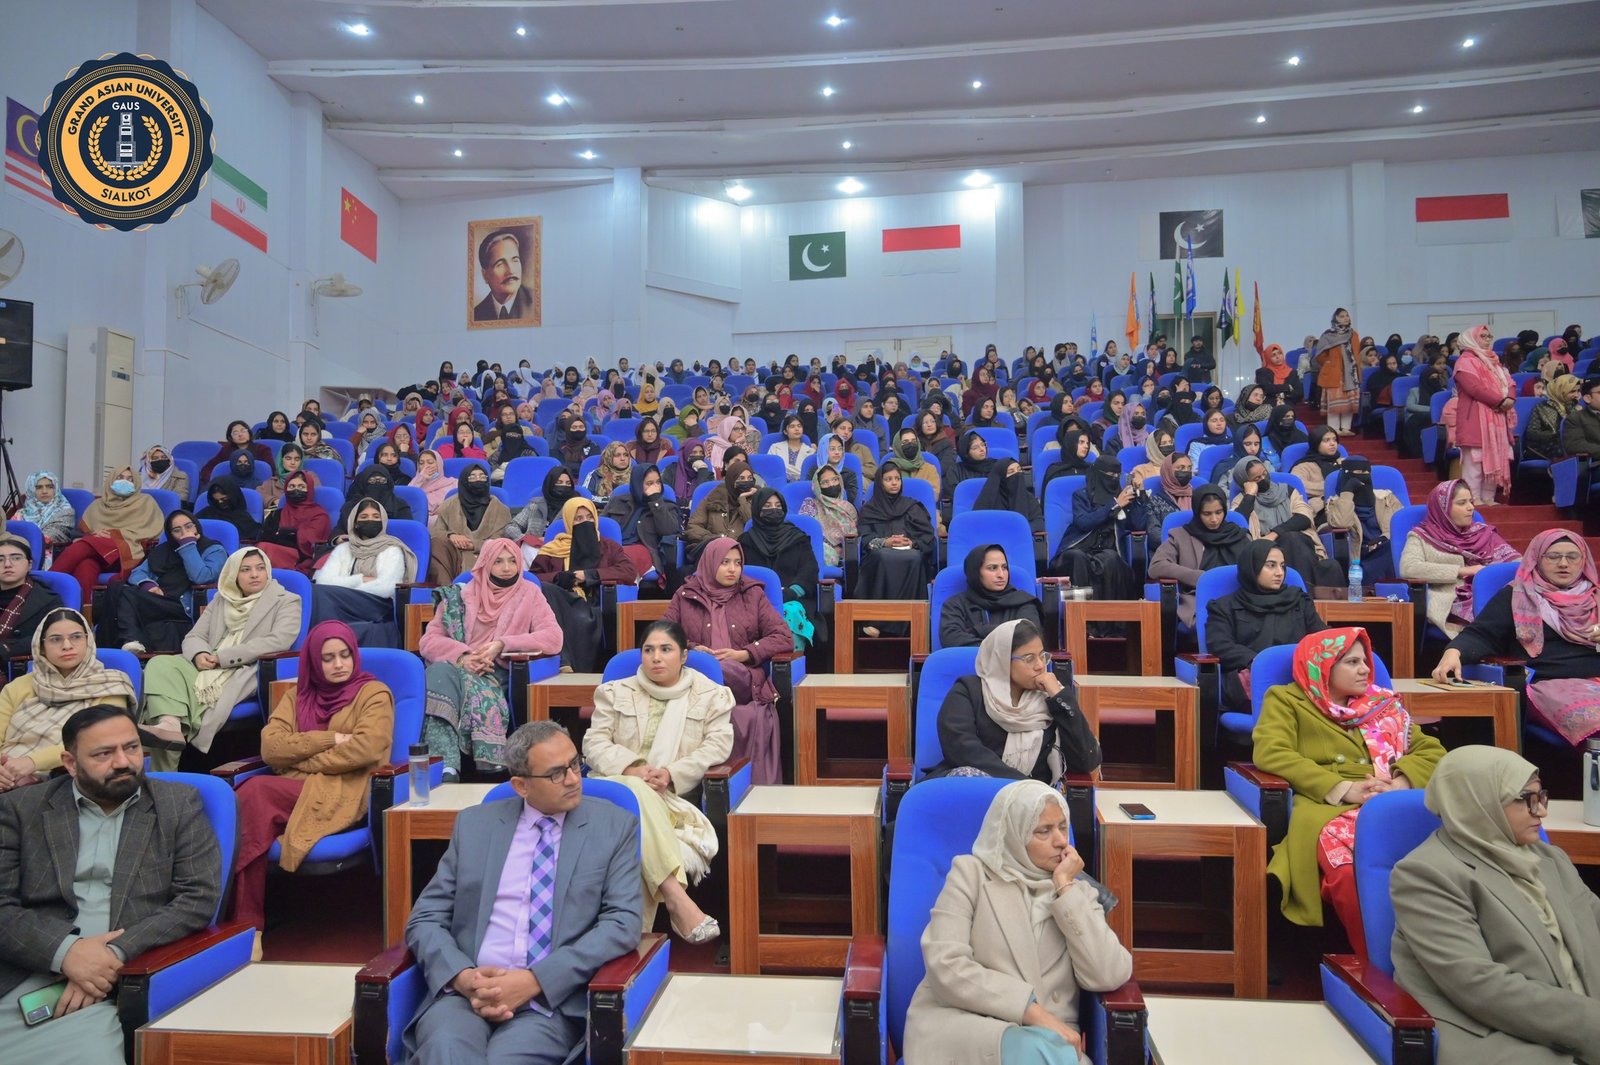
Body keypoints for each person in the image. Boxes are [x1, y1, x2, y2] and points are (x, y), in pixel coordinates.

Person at [401, 719, 642, 1065]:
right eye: (556, 773)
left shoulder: (613, 827)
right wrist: (464, 978)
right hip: (466, 995)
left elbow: (623, 923)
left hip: (549, 1001)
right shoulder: (475, 825)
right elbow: (426, 917)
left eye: (575, 764)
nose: (574, 779)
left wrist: (535, 981)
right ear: (521, 785)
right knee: (446, 1048)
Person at [0, 705, 220, 1065]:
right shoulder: (20, 809)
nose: (123, 762)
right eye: (104, 754)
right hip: (26, 965)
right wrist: (66, 952)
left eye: (131, 748)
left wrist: (112, 955)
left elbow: (197, 899)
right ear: (70, 763)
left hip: (117, 978)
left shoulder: (177, 805)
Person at [1389, 745, 1600, 1065]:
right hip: (1506, 1037)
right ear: (1479, 802)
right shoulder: (1426, 874)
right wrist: (1593, 1025)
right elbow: (1481, 986)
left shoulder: (1548, 858)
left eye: (1541, 796)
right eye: (1526, 799)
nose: (1541, 812)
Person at [902, 777, 1130, 1064]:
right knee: (1039, 1053)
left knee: (1044, 1053)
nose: (1061, 841)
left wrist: (1065, 889)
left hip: (1051, 1043)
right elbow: (945, 964)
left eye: (1062, 827)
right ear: (1013, 834)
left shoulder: (1077, 892)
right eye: (1043, 831)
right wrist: (1032, 1012)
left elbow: (1109, 974)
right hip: (969, 1028)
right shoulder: (970, 874)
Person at [1254, 627, 1445, 947]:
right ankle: (1379, 962)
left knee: (1441, 865)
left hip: (1391, 795)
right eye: (1352, 662)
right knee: (1349, 873)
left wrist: (1399, 784)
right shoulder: (1286, 699)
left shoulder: (1384, 704)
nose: (1366, 669)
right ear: (1324, 666)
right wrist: (1343, 788)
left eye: (1365, 661)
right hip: (1327, 803)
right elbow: (1272, 752)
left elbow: (1432, 752)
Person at [230, 622, 393, 948]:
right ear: (314, 663)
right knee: (248, 812)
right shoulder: (297, 696)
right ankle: (244, 926)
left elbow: (366, 750)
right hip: (296, 789)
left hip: (345, 790)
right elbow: (271, 748)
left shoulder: (374, 694)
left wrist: (299, 762)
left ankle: (242, 927)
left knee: (255, 794)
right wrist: (329, 738)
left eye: (345, 655)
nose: (339, 664)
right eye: (328, 658)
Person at [583, 620, 729, 942]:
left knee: (630, 838)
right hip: (613, 791)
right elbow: (593, 742)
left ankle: (627, 943)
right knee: (634, 788)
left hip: (671, 799)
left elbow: (718, 745)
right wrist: (631, 767)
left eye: (666, 649)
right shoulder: (614, 692)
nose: (656, 657)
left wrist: (672, 774)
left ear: (684, 655)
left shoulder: (710, 695)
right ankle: (674, 897)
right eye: (648, 650)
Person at [1434, 531, 1600, 747]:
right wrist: (1453, 652)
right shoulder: (1516, 596)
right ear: (1536, 559)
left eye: (1572, 557)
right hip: (1549, 683)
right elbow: (1482, 634)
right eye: (1553, 556)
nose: (1563, 564)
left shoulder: (1595, 597)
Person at [420, 539, 563, 779]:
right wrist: (463, 656)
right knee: (438, 673)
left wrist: (503, 644)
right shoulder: (459, 596)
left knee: (438, 678)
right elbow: (428, 641)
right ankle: (449, 765)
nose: (507, 568)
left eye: (512, 561)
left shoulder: (530, 593)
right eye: (498, 562)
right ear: (485, 563)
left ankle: (445, 768)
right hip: (457, 668)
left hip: (499, 674)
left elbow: (553, 637)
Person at [661, 538, 792, 785]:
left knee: (719, 669)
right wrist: (693, 650)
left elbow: (784, 637)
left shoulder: (752, 594)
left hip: (742, 677)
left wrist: (744, 654)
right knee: (707, 669)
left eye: (738, 563)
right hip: (696, 677)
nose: (733, 569)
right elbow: (663, 637)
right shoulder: (684, 595)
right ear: (710, 563)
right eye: (725, 563)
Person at [928, 619, 1101, 781]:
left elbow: (1087, 761)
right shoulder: (968, 692)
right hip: (980, 790)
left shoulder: (1052, 698)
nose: (1040, 665)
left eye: (1042, 656)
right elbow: (963, 751)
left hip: (1036, 799)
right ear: (1002, 660)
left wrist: (1059, 697)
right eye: (1029, 659)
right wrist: (1023, 786)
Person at [0, 609, 136, 793]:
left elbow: (98, 742)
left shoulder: (110, 684)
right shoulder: (19, 686)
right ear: (41, 646)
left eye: (76, 637)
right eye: (55, 639)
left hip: (65, 780)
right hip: (7, 774)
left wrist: (32, 762)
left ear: (89, 641)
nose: (67, 645)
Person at [1206, 540, 1326, 713]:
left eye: (1282, 566)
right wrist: (1262, 663)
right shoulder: (1224, 606)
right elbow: (1220, 646)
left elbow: (1321, 637)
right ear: (1252, 567)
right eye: (1271, 565)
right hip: (1252, 682)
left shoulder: (1299, 600)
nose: (1279, 573)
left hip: (1298, 678)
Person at [94, 510, 227, 655]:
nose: (184, 533)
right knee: (118, 587)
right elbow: (137, 573)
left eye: (189, 526)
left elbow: (201, 577)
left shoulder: (213, 550)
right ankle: (130, 641)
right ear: (170, 534)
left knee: (122, 593)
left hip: (185, 604)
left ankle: (129, 639)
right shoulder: (163, 550)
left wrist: (188, 546)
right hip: (159, 599)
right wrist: (149, 585)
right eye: (177, 530)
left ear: (196, 526)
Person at [531, 497, 638, 673]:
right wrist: (558, 577)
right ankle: (563, 662)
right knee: (548, 590)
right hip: (561, 601)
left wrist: (589, 575)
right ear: (568, 521)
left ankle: (567, 663)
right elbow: (533, 578)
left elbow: (628, 571)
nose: (585, 522)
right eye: (578, 518)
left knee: (578, 615)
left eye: (589, 517)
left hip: (596, 601)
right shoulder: (552, 549)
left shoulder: (608, 547)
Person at [49, 470, 165, 604]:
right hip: (96, 551)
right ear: (111, 480)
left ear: (137, 483)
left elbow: (151, 529)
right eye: (120, 477)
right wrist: (93, 534)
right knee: (85, 567)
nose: (124, 481)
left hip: (127, 551)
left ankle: (44, 585)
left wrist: (114, 534)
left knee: (84, 546)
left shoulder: (146, 502)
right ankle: (83, 612)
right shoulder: (99, 504)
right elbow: (80, 532)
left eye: (130, 479)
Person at [312, 501, 418, 648]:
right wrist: (360, 579)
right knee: (315, 591)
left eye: (376, 517)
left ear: (383, 521)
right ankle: (326, 637)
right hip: (344, 602)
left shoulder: (392, 549)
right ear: (355, 523)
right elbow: (322, 580)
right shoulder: (344, 549)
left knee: (321, 594)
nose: (370, 520)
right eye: (364, 517)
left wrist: (343, 587)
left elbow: (386, 588)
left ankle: (322, 641)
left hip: (378, 604)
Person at [1148, 484, 1251, 629]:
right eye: (1207, 514)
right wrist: (1199, 577)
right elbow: (1156, 566)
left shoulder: (1240, 535)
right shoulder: (1180, 536)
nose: (1214, 519)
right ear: (1197, 512)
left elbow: (1255, 566)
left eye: (1219, 512)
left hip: (1240, 597)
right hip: (1201, 599)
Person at [1048, 453, 1142, 606]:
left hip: (1106, 551)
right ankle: (1078, 614)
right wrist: (1114, 505)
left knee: (1111, 559)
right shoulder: (1081, 496)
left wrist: (1140, 497)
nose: (1114, 479)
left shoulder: (1123, 498)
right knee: (1077, 558)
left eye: (1117, 476)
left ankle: (1108, 617)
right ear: (1099, 474)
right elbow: (1083, 522)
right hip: (1078, 548)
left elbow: (1139, 525)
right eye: (1110, 475)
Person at [1230, 459, 1338, 590]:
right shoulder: (1241, 501)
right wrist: (1250, 496)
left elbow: (1304, 517)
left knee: (1292, 539)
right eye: (1257, 478)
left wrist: (1274, 534)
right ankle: (1305, 592)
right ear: (1246, 482)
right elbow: (1237, 527)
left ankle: (1303, 591)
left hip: (1299, 545)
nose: (1263, 478)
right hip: (1265, 552)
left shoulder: (1288, 491)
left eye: (1264, 473)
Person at [738, 488, 823, 652]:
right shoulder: (745, 541)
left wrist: (792, 591)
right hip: (755, 598)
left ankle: (788, 660)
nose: (773, 510)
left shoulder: (797, 537)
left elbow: (810, 569)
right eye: (767, 506)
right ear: (757, 509)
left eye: (778, 506)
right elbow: (741, 573)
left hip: (793, 597)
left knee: (790, 611)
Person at [858, 465, 938, 630]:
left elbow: (928, 537)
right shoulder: (869, 509)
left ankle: (909, 624)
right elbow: (865, 539)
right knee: (881, 556)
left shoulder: (913, 507)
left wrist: (912, 543)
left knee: (915, 558)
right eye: (888, 479)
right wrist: (885, 542)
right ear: (880, 483)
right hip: (879, 556)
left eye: (897, 479)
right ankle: (876, 621)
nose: (894, 483)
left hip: (911, 554)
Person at [1455, 324, 1517, 506]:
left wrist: (1510, 398)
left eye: (1489, 336)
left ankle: (1488, 498)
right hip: (1475, 418)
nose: (1487, 339)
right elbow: (1474, 388)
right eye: (1482, 336)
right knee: (1475, 462)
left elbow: (1510, 382)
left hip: (1498, 418)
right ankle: (1473, 499)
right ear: (1471, 339)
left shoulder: (1495, 361)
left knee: (1497, 457)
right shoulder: (1464, 362)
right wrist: (1500, 401)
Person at [940, 544, 1045, 649]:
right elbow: (951, 639)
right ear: (975, 572)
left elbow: (1027, 639)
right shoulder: (955, 604)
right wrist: (1005, 640)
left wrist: (978, 630)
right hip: (967, 660)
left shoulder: (1024, 602)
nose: (1001, 575)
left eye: (1004, 567)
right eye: (992, 568)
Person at [429, 463, 513, 583]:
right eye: (472, 477)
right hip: (455, 555)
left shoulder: (500, 509)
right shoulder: (449, 505)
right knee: (437, 543)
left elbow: (502, 540)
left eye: (482, 477)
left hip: (487, 556)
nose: (478, 480)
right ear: (464, 481)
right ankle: (447, 590)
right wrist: (451, 535)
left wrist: (474, 544)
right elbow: (437, 531)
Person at [603, 463, 682, 581]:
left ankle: (618, 588)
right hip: (614, 548)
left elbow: (669, 530)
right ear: (638, 484)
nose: (655, 487)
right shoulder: (617, 501)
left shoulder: (667, 506)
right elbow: (602, 526)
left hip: (644, 550)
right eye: (649, 483)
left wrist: (656, 501)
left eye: (658, 482)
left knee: (623, 559)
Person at [0, 533, 61, 664]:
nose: (7, 564)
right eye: (0, 559)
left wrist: (6, 647)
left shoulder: (47, 600)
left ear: (29, 564)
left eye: (16, 558)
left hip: (21, 667)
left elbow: (53, 637)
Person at [254, 471, 329, 575]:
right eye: (291, 486)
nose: (296, 489)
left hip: (301, 556)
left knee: (263, 549)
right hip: (275, 550)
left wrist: (285, 534)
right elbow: (265, 535)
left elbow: (311, 542)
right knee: (258, 549)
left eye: (301, 486)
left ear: (309, 489)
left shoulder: (319, 514)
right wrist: (289, 534)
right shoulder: (278, 513)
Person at [685, 459, 757, 564]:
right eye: (741, 478)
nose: (746, 482)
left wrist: (743, 501)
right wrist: (716, 539)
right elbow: (693, 527)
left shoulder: (757, 500)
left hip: (742, 555)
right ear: (732, 480)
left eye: (749, 478)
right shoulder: (714, 498)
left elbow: (755, 527)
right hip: (712, 552)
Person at [798, 463, 857, 569]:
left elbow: (854, 537)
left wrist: (842, 548)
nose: (831, 484)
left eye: (835, 480)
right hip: (817, 548)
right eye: (825, 482)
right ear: (818, 486)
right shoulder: (811, 503)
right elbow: (804, 530)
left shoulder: (849, 508)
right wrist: (831, 546)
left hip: (845, 554)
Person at [1313, 308, 1362, 436]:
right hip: (1334, 373)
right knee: (1334, 403)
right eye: (1341, 316)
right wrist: (1330, 363)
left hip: (1350, 373)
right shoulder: (1328, 335)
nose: (1345, 318)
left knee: (1349, 401)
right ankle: (1334, 429)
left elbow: (1356, 354)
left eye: (1347, 315)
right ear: (1335, 318)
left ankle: (1346, 428)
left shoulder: (1353, 334)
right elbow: (1320, 355)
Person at [14, 470, 75, 565]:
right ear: (31, 490)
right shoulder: (21, 513)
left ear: (55, 488)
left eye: (50, 487)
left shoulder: (65, 511)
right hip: (17, 553)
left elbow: (48, 537)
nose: (45, 491)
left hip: (51, 556)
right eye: (38, 487)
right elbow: (9, 534)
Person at [472, 230, 536, 321]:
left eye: (515, 260)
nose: (511, 271)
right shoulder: (476, 315)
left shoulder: (538, 302)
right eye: (500, 264)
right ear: (485, 275)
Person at [972, 458, 1044, 535]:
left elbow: (1038, 522)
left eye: (1019, 469)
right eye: (1011, 471)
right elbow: (978, 525)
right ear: (1001, 477)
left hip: (1020, 538)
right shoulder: (988, 499)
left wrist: (1016, 531)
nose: (1017, 474)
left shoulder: (1028, 498)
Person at [505, 466, 574, 547]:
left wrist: (549, 541)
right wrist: (527, 539)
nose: (564, 486)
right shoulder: (535, 504)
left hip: (561, 549)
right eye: (559, 482)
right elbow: (511, 527)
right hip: (532, 547)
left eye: (568, 483)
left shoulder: (574, 507)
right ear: (550, 484)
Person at [199, 420, 274, 483]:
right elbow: (207, 469)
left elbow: (271, 471)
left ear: (249, 433)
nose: (240, 434)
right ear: (230, 438)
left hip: (257, 484)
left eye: (243, 431)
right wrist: (214, 481)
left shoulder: (263, 449)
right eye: (235, 433)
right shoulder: (226, 450)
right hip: (231, 484)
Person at [196, 474, 262, 543]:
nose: (220, 502)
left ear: (232, 496)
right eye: (216, 500)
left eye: (224, 499)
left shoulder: (243, 518)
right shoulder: (205, 513)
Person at [410, 448, 458, 525]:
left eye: (430, 462)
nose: (426, 466)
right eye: (421, 463)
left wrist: (446, 506)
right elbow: (407, 500)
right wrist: (420, 478)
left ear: (439, 464)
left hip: (446, 522)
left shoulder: (453, 483)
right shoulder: (416, 484)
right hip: (419, 521)